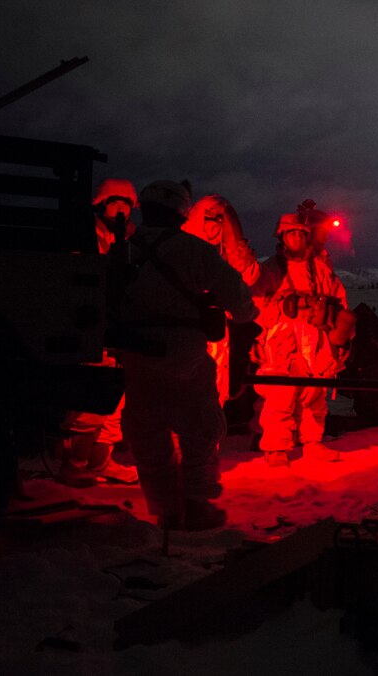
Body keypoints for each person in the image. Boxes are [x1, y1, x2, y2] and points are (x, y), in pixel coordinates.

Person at [116, 180, 258, 530]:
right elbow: (237, 298)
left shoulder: (122, 252)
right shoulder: (195, 251)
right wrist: (244, 315)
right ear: (182, 213)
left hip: (136, 355)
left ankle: (166, 510)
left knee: (147, 434)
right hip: (185, 355)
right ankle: (196, 506)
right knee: (200, 430)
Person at [57, 179, 140, 487]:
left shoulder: (132, 239)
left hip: (120, 327)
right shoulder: (86, 235)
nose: (120, 208)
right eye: (114, 202)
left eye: (126, 203)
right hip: (92, 326)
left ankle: (101, 462)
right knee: (92, 401)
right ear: (101, 204)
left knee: (116, 400)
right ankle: (75, 464)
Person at [251, 211, 350, 466]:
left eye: (302, 233)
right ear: (282, 236)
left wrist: (341, 334)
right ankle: (276, 449)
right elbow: (257, 303)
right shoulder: (270, 269)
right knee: (281, 393)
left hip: (315, 333)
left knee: (314, 392)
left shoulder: (319, 268)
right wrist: (258, 337)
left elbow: (338, 298)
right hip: (282, 335)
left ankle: (313, 442)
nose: (297, 237)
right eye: (292, 233)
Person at [182, 194, 260, 405]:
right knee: (185, 393)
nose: (216, 225)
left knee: (214, 394)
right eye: (210, 218)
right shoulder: (183, 250)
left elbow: (248, 278)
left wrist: (236, 245)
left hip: (216, 333)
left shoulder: (226, 256)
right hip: (187, 332)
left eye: (220, 220)